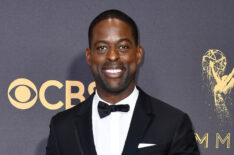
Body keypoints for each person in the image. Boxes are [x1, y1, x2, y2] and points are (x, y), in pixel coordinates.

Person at [46, 9, 200, 155]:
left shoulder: (172, 124)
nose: (113, 56)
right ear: (89, 56)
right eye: (102, 48)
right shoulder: (62, 127)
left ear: (138, 54)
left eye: (123, 47)